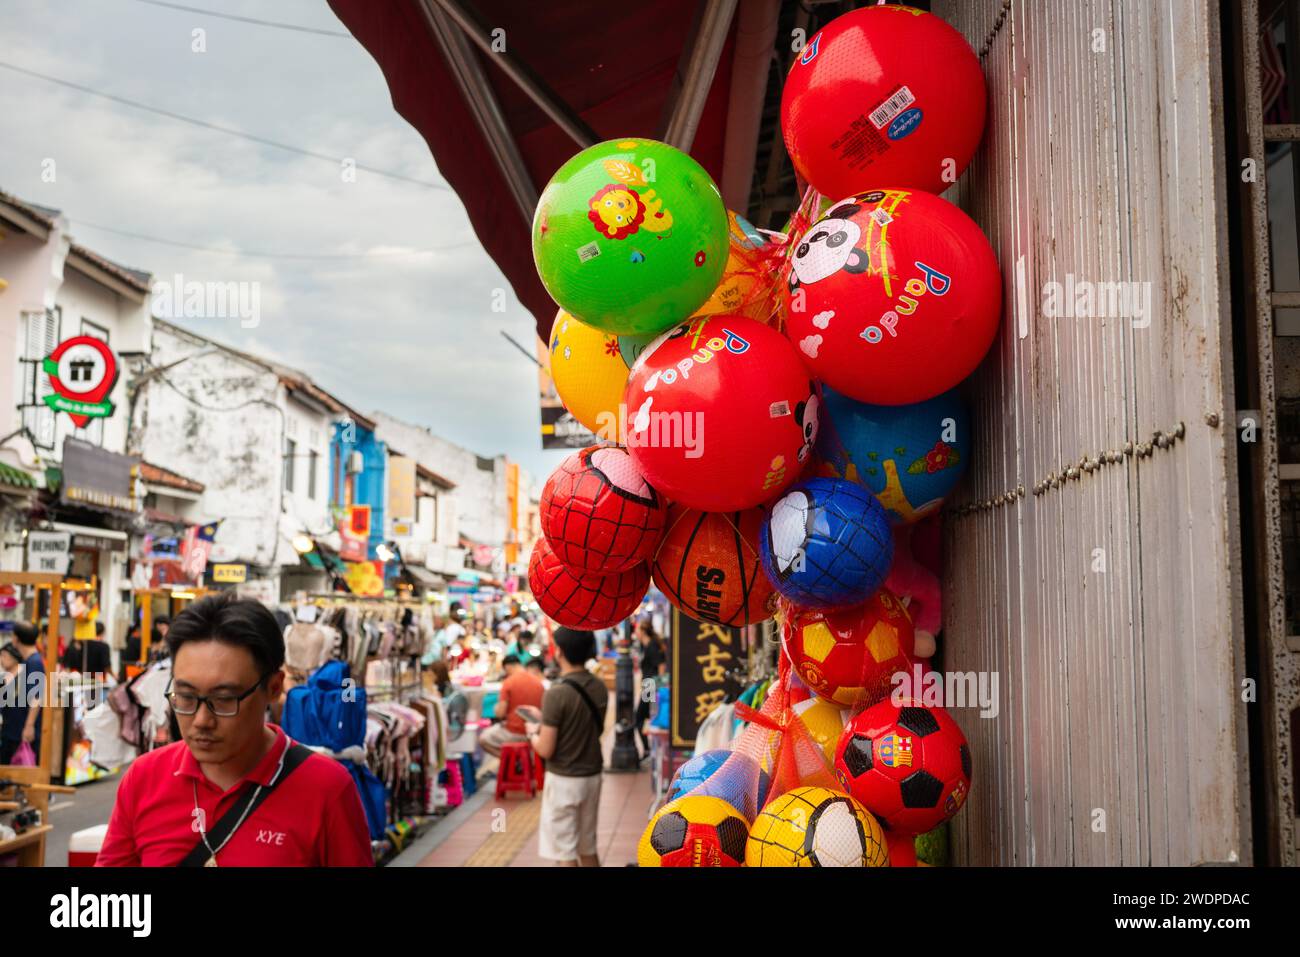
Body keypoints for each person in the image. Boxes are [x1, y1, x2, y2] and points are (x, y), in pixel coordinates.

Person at [96, 593, 373, 866]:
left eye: (224, 699)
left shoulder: (328, 790)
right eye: (187, 697)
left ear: (274, 688)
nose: (202, 720)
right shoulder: (144, 779)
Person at [526, 627, 607, 867]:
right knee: (587, 846)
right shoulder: (599, 686)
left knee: (565, 852)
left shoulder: (556, 693)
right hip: (592, 776)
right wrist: (546, 719)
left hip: (564, 780)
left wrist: (533, 733)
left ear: (559, 652)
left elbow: (546, 749)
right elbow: (586, 725)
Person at [480, 654, 543, 758]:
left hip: (515, 732)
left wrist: (496, 708)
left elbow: (500, 714)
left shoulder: (509, 682)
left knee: (483, 739)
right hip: (535, 733)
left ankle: (513, 762)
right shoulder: (538, 682)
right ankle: (519, 762)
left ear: (507, 667)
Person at [0, 623, 46, 765]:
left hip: (21, 730)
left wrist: (29, 726)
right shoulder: (30, 661)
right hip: (14, 728)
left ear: (16, 639)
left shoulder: (35, 662)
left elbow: (36, 697)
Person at [633, 620, 666, 762]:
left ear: (643, 631)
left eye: (637, 629)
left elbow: (661, 666)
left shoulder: (651, 646)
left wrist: (658, 687)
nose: (635, 632)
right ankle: (650, 750)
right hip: (648, 685)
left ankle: (648, 751)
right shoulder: (645, 645)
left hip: (651, 686)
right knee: (648, 717)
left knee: (639, 718)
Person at [428, 660, 467, 740]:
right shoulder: (447, 685)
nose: (429, 677)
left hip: (445, 720)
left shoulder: (439, 688)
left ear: (436, 674)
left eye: (431, 674)